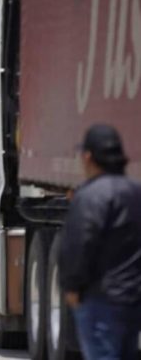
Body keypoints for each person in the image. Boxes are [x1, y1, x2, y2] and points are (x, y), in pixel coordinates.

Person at [60, 124, 141, 360]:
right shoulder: (136, 192)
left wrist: (72, 286)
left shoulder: (90, 196)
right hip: (132, 298)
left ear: (88, 157)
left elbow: (80, 243)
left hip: (100, 298)